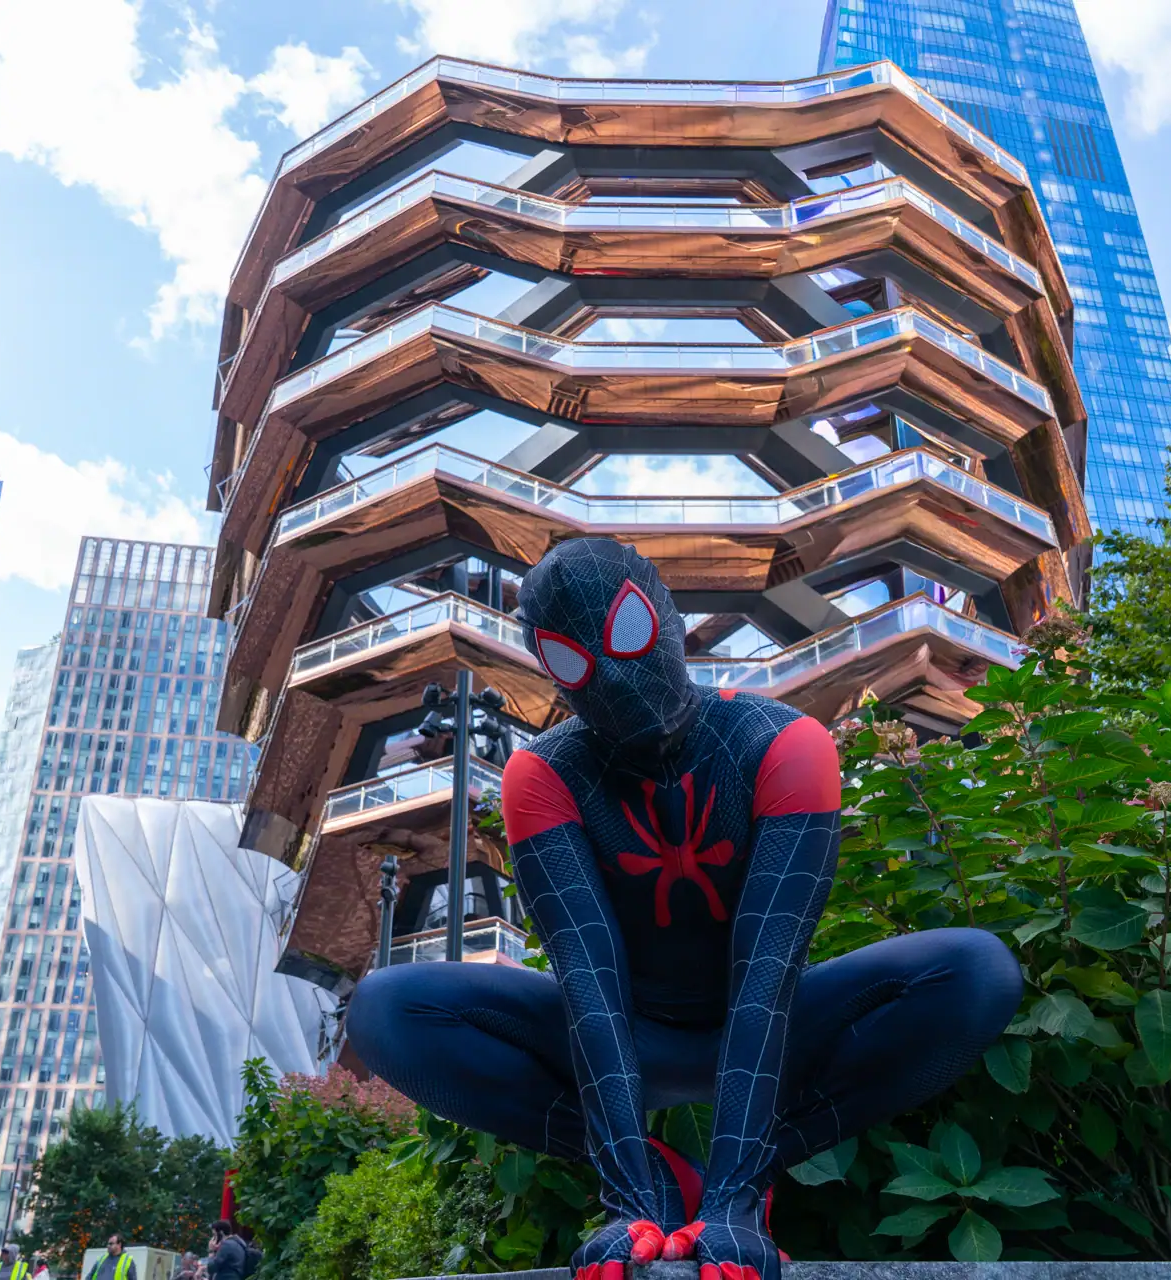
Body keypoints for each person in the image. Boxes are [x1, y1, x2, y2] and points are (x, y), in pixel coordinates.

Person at [348, 539, 1022, 1280]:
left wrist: (737, 1198)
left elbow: (766, 979)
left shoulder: (782, 745)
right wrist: (629, 1201)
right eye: (572, 663)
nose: (613, 678)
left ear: (665, 616)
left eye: (628, 634)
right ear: (553, 673)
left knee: (975, 972)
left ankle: (728, 1178)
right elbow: (589, 986)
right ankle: (665, 1180)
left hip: (772, 1020)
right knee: (388, 1008)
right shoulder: (545, 773)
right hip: (636, 1034)